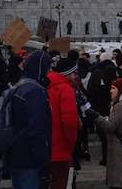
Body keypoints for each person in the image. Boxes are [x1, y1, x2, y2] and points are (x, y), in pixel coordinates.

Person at [6, 50, 52, 189]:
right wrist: (42, 160)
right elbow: (36, 129)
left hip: (16, 152)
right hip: (29, 158)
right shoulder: (35, 91)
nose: (49, 71)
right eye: (47, 67)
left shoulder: (20, 85)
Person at [92, 78, 122, 189]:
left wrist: (96, 117)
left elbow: (110, 126)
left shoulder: (121, 106)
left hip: (119, 149)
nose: (111, 91)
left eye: (113, 88)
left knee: (119, 181)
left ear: (121, 90)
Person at [47, 58, 80, 189]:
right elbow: (70, 121)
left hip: (46, 147)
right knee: (63, 183)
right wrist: (71, 142)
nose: (76, 75)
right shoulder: (65, 89)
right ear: (67, 73)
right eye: (74, 72)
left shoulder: (46, 85)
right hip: (61, 147)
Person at [87, 53, 117, 166]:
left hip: (99, 108)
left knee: (104, 135)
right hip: (114, 106)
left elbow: (90, 90)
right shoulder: (116, 71)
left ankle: (105, 158)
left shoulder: (97, 72)